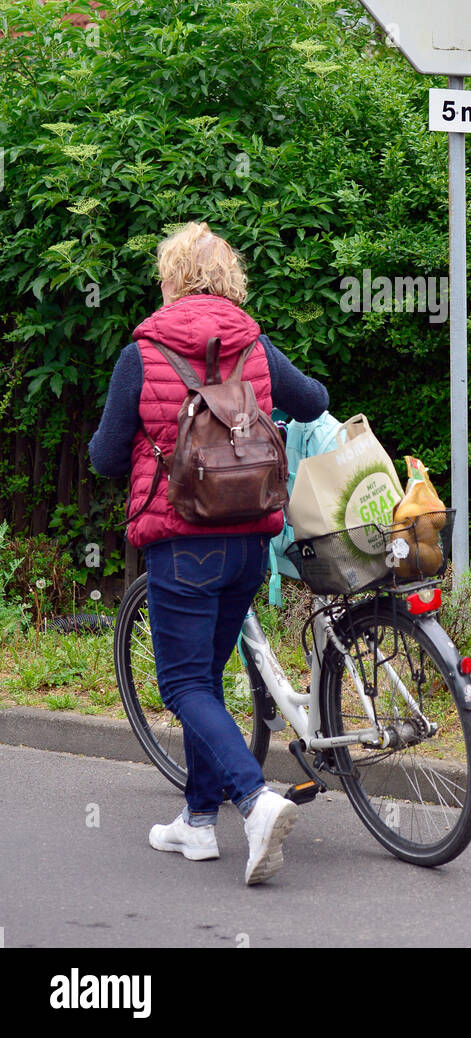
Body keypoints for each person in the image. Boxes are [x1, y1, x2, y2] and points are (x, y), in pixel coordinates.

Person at [89, 221, 329, 885]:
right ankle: (197, 823)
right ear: (230, 280)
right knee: (207, 679)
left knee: (184, 683)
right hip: (250, 536)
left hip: (181, 543)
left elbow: (108, 455)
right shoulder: (252, 340)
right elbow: (313, 400)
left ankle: (254, 803)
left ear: (169, 279)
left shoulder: (143, 350)